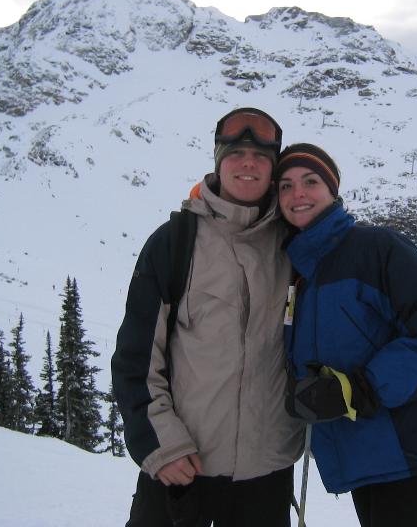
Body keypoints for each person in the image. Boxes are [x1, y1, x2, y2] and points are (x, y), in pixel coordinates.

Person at [111, 108, 303, 527]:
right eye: (236, 153)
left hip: (267, 476)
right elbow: (136, 359)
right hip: (181, 468)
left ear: (273, 168)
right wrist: (160, 444)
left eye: (261, 156)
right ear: (218, 162)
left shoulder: (296, 245)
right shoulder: (174, 242)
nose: (248, 163)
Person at [276, 143, 417, 527]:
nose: (298, 194)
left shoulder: (377, 248)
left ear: (333, 190)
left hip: (406, 445)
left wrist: (353, 390)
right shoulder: (298, 271)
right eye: (286, 186)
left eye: (310, 182)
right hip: (362, 449)